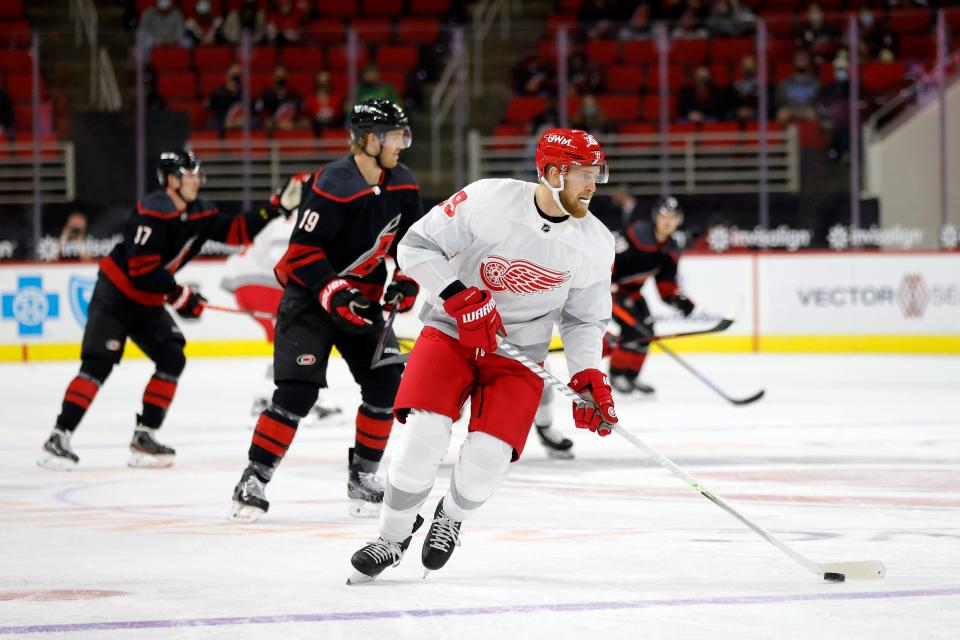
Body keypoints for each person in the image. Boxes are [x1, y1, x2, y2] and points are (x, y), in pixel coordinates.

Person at [347, 128, 618, 584]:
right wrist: (456, 294)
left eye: (596, 174)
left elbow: (583, 320)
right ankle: (391, 539)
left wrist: (587, 372)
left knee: (487, 461)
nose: (592, 186)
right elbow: (414, 247)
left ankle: (449, 516)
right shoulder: (486, 200)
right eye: (582, 175)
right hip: (450, 334)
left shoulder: (595, 242)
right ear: (553, 173)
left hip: (519, 354)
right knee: (423, 437)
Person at [229, 98, 424, 522]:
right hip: (310, 302)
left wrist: (405, 283)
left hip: (364, 303)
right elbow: (301, 253)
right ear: (370, 140)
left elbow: (414, 245)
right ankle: (254, 479)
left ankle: (363, 477)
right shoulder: (333, 183)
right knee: (297, 394)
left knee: (387, 388)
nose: (400, 144)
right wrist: (333, 291)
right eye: (394, 136)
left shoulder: (404, 183)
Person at [38, 150, 288, 470]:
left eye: (198, 173)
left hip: (148, 301)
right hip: (116, 297)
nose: (197, 180)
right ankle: (58, 437)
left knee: (172, 356)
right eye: (189, 174)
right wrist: (178, 293)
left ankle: (144, 437)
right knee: (98, 365)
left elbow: (237, 231)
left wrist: (275, 208)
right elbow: (141, 269)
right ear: (172, 180)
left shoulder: (200, 212)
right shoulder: (153, 210)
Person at [220, 173, 341, 426]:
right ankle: (271, 400)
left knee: (289, 341)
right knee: (299, 335)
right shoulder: (290, 219)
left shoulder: (291, 215)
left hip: (250, 283)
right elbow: (286, 262)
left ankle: (271, 398)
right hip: (256, 283)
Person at [609, 196, 695, 396]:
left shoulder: (670, 248)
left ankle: (631, 377)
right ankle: (617, 375)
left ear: (679, 220)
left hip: (631, 292)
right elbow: (608, 260)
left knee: (646, 331)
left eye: (673, 217)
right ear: (655, 217)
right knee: (632, 329)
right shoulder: (636, 235)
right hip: (608, 289)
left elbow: (665, 282)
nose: (668, 221)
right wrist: (609, 289)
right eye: (664, 216)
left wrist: (677, 300)